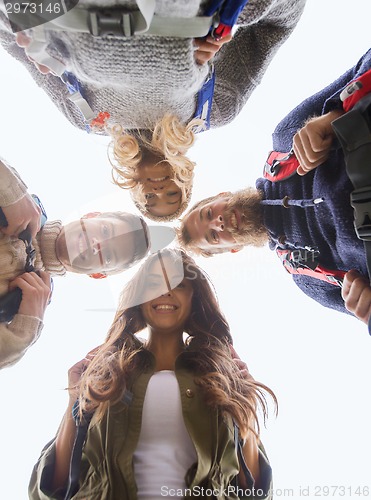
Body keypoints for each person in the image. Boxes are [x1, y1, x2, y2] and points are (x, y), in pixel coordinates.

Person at [0, 0, 306, 221]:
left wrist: (26, 30)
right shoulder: (212, 109)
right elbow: (277, 24)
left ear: (134, 189)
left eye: (150, 199)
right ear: (185, 180)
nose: (159, 190)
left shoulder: (90, 120)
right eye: (172, 195)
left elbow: (16, 45)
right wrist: (226, 15)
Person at [29, 248, 275, 499]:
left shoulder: (220, 380)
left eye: (179, 284)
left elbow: (252, 491)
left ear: (194, 301)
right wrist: (75, 399)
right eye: (154, 283)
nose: (166, 291)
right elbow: (54, 487)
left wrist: (246, 404)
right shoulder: (107, 377)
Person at [178, 48, 371, 327]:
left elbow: (364, 65)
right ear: (232, 249)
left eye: (208, 214)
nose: (218, 223)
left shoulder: (285, 139)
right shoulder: (309, 279)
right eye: (212, 236)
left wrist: (332, 117)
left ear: (222, 196)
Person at [0, 158, 174, 369]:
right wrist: (12, 192)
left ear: (97, 274)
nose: (98, 244)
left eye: (108, 256)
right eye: (105, 231)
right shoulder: (17, 199)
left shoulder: (21, 304)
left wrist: (25, 331)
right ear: (91, 215)